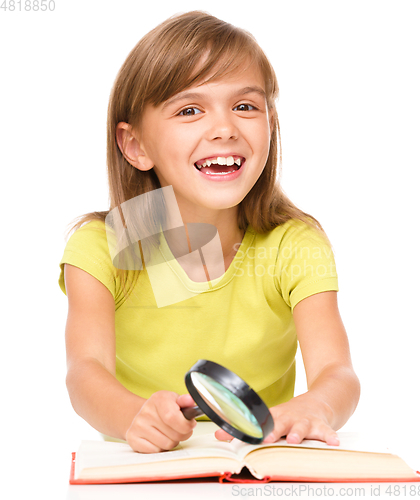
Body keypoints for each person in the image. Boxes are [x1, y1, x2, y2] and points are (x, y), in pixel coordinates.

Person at [59, 10, 360, 454]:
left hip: (262, 462)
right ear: (135, 145)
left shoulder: (294, 244)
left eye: (245, 106)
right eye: (190, 109)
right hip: (140, 470)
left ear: (270, 125)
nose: (224, 128)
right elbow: (84, 372)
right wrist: (131, 416)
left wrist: (314, 407)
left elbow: (338, 372)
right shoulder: (103, 246)